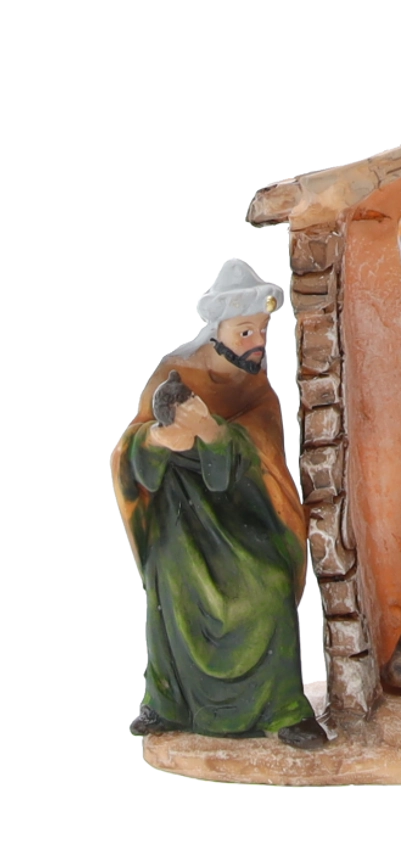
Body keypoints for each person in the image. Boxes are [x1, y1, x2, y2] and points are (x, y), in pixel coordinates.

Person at [113, 259, 326, 748]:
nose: (257, 342)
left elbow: (263, 453)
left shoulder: (256, 390)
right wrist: (161, 440)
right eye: (245, 331)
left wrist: (212, 433)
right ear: (217, 331)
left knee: (269, 586)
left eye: (262, 330)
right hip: (180, 518)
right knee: (170, 581)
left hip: (241, 516)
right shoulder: (174, 375)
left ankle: (283, 709)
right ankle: (169, 703)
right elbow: (132, 450)